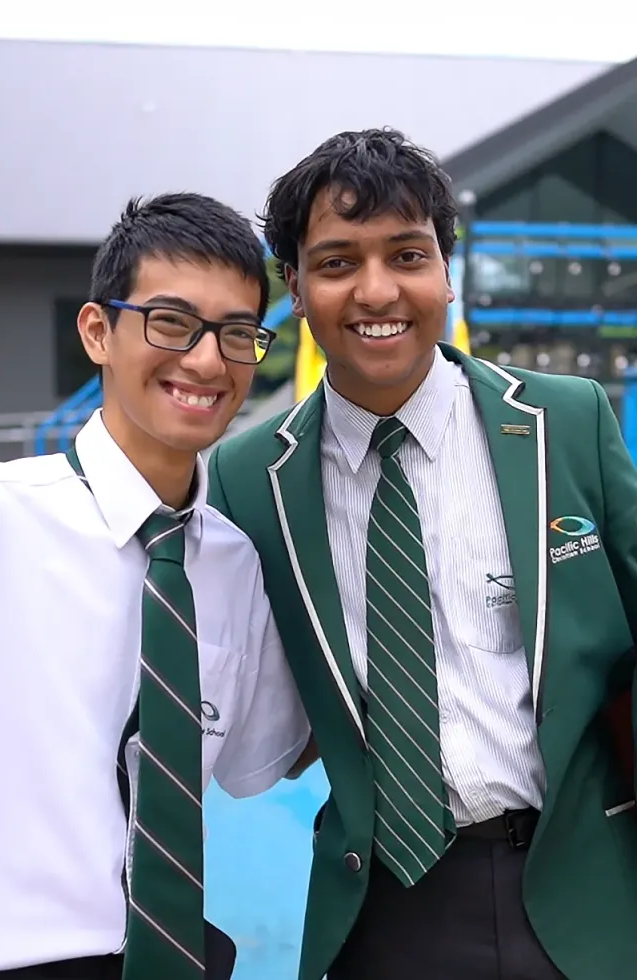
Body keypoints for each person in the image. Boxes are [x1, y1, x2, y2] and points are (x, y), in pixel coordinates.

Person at [207, 128, 637, 980]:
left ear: (448, 269)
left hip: (585, 882)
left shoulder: (569, 423)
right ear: (293, 285)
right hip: (389, 906)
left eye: (407, 254)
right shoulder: (248, 476)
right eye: (335, 263)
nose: (377, 291)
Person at [0, 192, 311, 980]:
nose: (206, 361)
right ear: (98, 331)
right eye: (171, 323)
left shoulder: (234, 566)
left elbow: (266, 759)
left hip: (163, 958)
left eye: (238, 334)